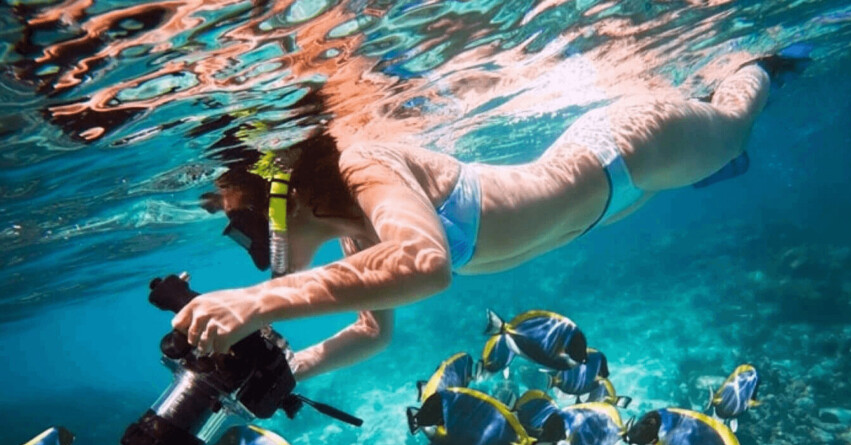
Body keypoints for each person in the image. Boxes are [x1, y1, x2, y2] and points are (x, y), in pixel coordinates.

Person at [172, 49, 809, 381]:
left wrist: (260, 304)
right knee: (707, 163)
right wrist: (293, 366)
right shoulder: (356, 240)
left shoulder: (364, 162)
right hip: (607, 207)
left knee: (734, 124)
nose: (249, 245)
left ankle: (761, 65)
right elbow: (374, 331)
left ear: (280, 196)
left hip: (628, 152)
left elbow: (427, 264)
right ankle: (710, 157)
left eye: (243, 224)